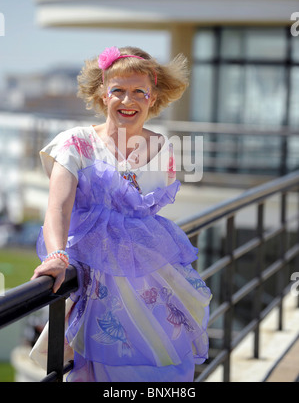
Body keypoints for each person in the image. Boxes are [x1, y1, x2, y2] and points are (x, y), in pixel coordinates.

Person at [30, 46, 211, 382]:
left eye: (139, 91)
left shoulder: (162, 148)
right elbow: (58, 206)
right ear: (103, 92)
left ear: (153, 95)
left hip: (156, 287)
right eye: (119, 91)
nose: (129, 101)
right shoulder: (75, 143)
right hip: (99, 285)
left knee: (165, 368)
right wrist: (56, 255)